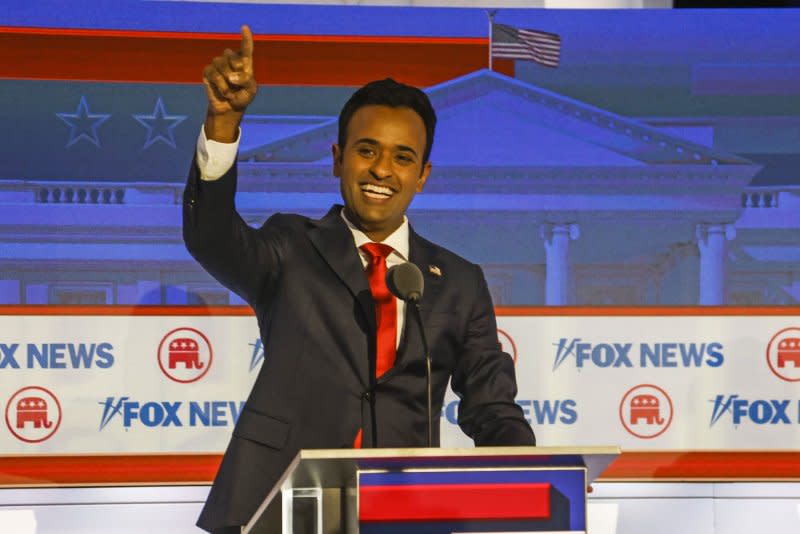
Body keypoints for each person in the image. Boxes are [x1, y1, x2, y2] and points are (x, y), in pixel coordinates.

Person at [184, 25, 535, 534]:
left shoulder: (459, 281)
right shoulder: (292, 246)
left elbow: (490, 403)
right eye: (367, 150)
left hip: (403, 511)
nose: (382, 170)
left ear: (423, 175)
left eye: (402, 157)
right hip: (278, 502)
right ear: (337, 159)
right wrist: (222, 124)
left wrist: (529, 473)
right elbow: (211, 237)